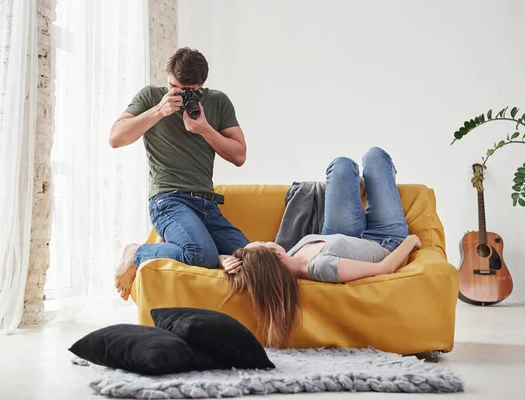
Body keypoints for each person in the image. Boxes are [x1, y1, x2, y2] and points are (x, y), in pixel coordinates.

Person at [219, 147, 420, 347]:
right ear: (277, 257)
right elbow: (383, 268)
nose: (266, 240)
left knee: (340, 165)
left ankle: (358, 187)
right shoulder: (320, 267)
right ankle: (382, 181)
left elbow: (253, 270)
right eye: (263, 243)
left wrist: (225, 261)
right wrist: (410, 241)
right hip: (384, 239)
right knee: (374, 157)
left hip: (340, 235)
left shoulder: (289, 256)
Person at [111, 47, 249, 300]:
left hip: (208, 205)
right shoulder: (152, 96)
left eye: (189, 92)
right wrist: (158, 111)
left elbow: (239, 155)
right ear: (168, 78)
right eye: (174, 86)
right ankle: (136, 252)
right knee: (201, 255)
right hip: (169, 201)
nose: (179, 95)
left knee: (250, 259)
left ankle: (210, 253)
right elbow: (116, 138)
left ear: (201, 85)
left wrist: (205, 129)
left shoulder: (217, 101)